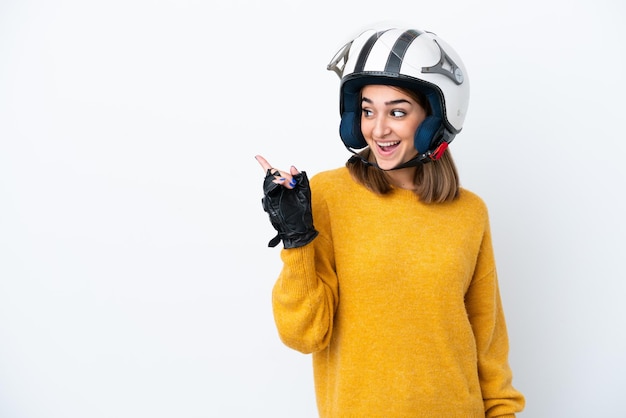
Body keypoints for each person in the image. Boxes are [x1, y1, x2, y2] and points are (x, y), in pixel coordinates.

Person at [255, 26, 525, 417]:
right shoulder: (329, 196)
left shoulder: (469, 212)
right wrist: (297, 241)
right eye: (367, 110)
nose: (378, 129)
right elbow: (304, 334)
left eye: (397, 112)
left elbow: (488, 341)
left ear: (435, 118)